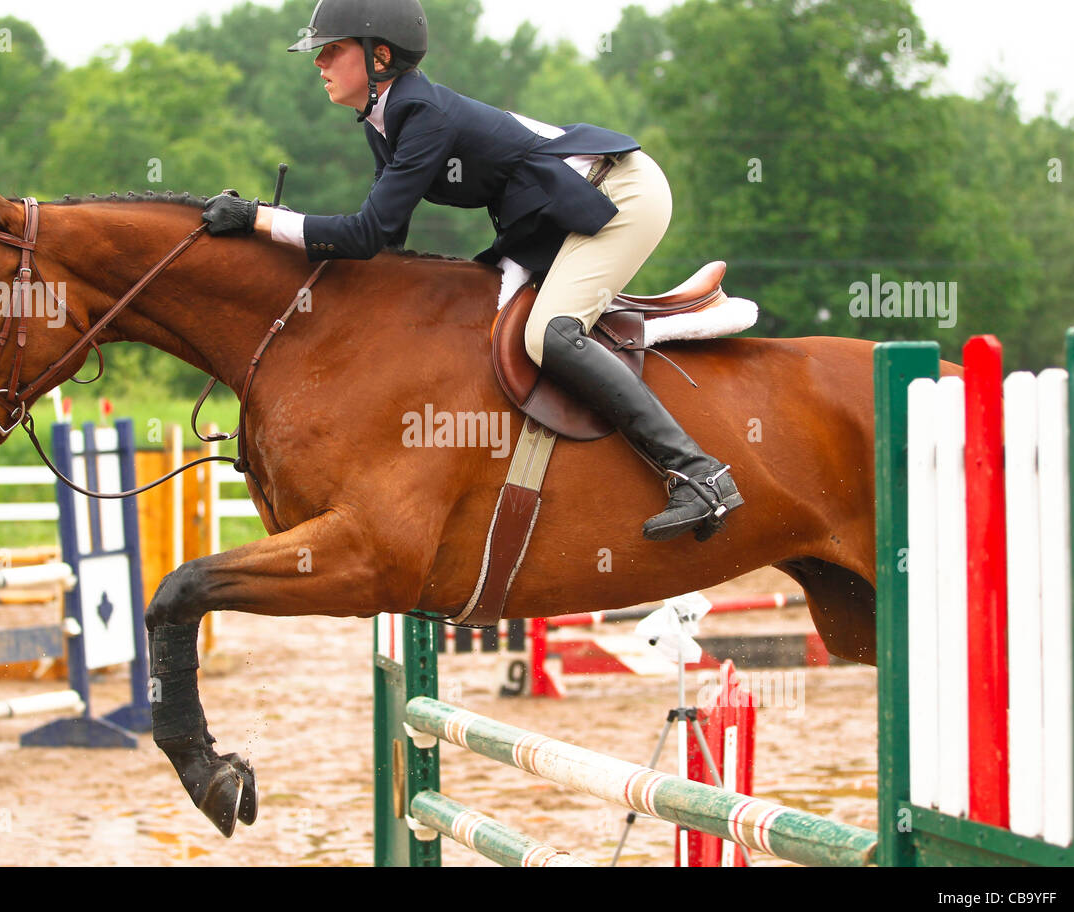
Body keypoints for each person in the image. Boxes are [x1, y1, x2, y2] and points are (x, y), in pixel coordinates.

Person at [202, 0, 742, 542]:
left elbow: (366, 235)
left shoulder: (422, 114)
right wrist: (269, 239)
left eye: (332, 50)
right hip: (554, 215)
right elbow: (386, 238)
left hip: (618, 194)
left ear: (379, 56)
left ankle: (700, 474)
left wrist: (259, 219)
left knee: (548, 336)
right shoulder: (382, 120)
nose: (319, 63)